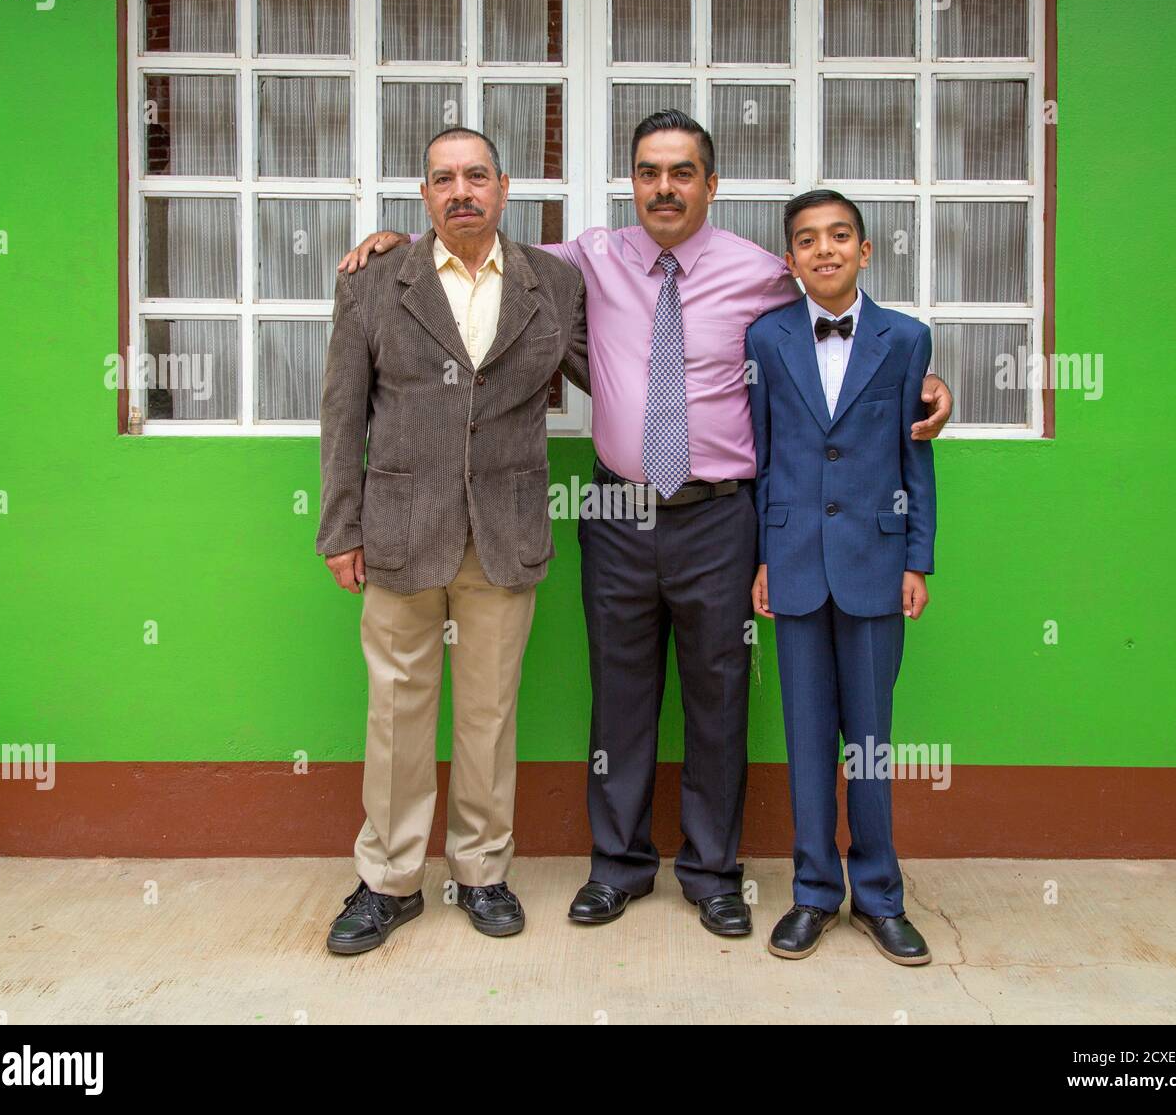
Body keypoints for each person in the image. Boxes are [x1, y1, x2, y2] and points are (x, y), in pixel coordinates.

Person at [338, 111, 953, 939]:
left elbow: (841, 318)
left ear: (710, 183)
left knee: (719, 696)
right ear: (633, 181)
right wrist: (396, 238)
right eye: (649, 172)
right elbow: (475, 260)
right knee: (619, 699)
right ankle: (618, 867)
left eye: (682, 172)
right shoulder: (589, 258)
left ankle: (711, 873)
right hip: (617, 509)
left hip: (720, 516)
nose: (664, 187)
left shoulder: (762, 272)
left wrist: (927, 381)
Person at [317, 127, 589, 953]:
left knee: (488, 712)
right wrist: (340, 526)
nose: (461, 191)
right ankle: (389, 882)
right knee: (397, 711)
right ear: (425, 194)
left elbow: (617, 368)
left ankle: (481, 872)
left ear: (504, 190)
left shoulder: (556, 281)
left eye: (477, 176)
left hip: (503, 531)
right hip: (401, 530)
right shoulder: (374, 283)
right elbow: (341, 413)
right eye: (444, 179)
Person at [747, 190, 935, 965]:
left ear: (864, 250)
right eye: (806, 240)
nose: (824, 250)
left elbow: (917, 453)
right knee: (806, 739)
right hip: (792, 562)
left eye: (839, 237)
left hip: (875, 562)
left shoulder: (906, 339)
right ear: (789, 260)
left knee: (870, 741)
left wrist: (918, 557)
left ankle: (880, 895)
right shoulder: (765, 338)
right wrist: (762, 552)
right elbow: (761, 457)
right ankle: (814, 892)